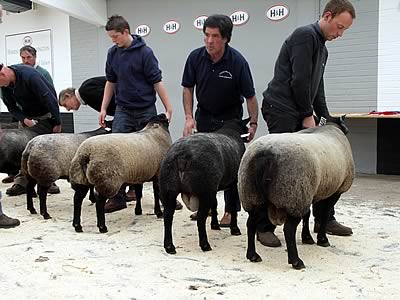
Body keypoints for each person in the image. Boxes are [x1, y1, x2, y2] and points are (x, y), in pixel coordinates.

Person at [260, 0, 355, 247]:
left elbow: (316, 88)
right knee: (281, 166)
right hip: (280, 108)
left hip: (298, 109)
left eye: (344, 29)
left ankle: (323, 219)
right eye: (339, 26)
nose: (340, 34)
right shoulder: (305, 36)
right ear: (327, 16)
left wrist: (327, 118)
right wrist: (306, 114)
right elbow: (299, 80)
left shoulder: (322, 49)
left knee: (318, 168)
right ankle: (264, 225)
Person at [182, 14, 258, 225]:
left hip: (230, 122)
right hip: (204, 117)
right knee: (204, 164)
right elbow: (187, 88)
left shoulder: (237, 62)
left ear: (226, 38)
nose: (209, 40)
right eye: (206, 35)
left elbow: (251, 96)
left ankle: (230, 212)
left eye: (215, 36)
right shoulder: (195, 58)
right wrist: (189, 117)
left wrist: (253, 123)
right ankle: (207, 208)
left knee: (231, 167)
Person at [99, 15, 173, 213]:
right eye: (110, 38)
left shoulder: (145, 53)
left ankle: (167, 198)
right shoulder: (112, 53)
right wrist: (104, 107)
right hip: (122, 109)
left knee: (158, 154)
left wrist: (168, 107)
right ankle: (117, 197)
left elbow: (157, 81)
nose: (113, 41)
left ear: (126, 32)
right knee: (116, 150)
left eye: (115, 37)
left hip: (145, 109)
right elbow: (110, 81)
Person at [0, 63, 62, 196]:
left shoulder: (30, 76)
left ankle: (48, 181)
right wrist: (24, 119)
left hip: (46, 114)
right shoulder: (5, 86)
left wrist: (57, 121)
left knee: (45, 150)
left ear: (3, 74)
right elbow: (11, 108)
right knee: (23, 152)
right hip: (27, 116)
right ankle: (21, 183)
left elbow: (49, 97)